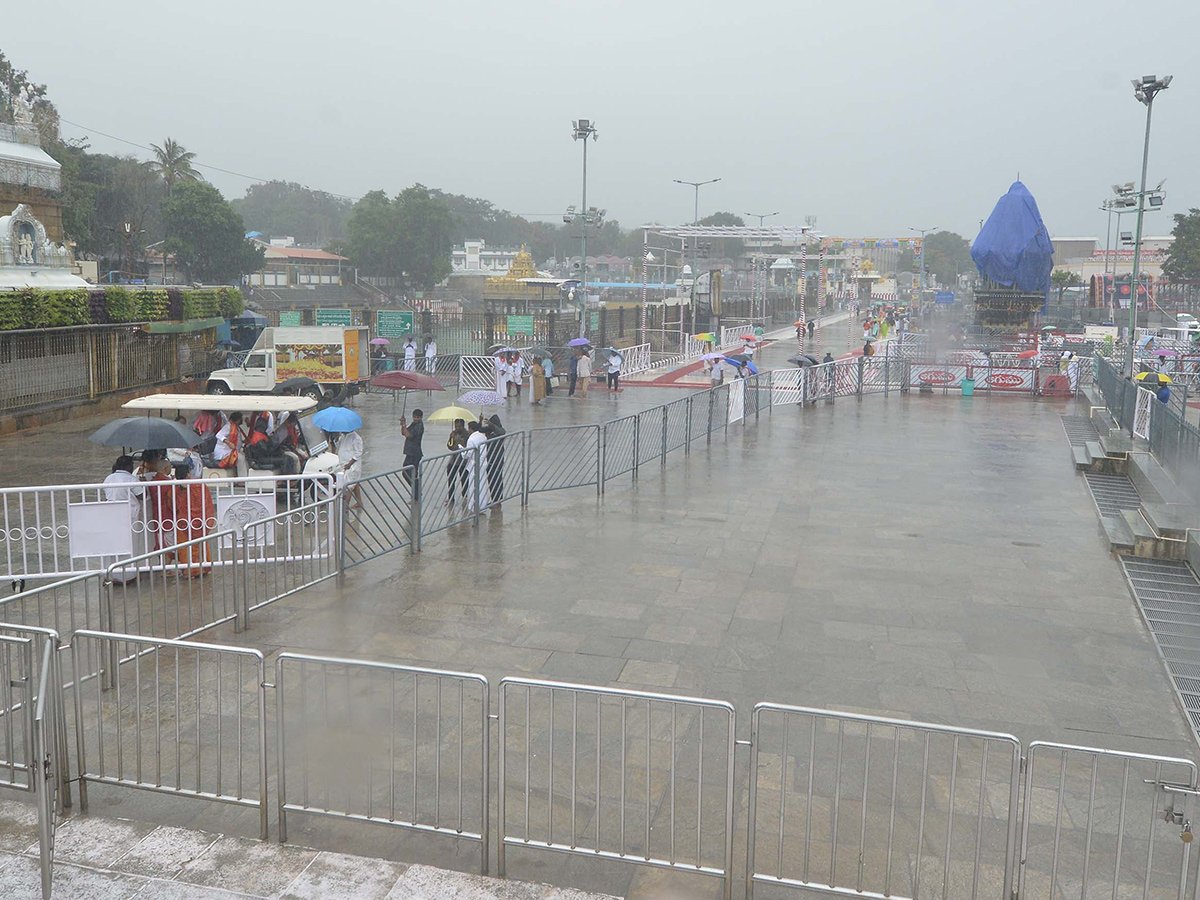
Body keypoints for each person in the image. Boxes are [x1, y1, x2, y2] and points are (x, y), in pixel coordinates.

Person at [102, 455, 145, 583]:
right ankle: (128, 576)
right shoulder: (131, 479)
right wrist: (143, 484)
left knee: (113, 544)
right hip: (129, 514)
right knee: (130, 544)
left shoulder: (108, 478)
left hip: (110, 513)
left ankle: (111, 574)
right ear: (128, 466)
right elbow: (142, 495)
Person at [171, 464, 215, 577]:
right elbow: (207, 502)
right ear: (188, 474)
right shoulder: (200, 485)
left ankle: (190, 571)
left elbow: (172, 506)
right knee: (202, 544)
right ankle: (204, 567)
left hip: (183, 522)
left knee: (185, 547)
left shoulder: (174, 488)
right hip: (201, 521)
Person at [144, 457, 176, 556]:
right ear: (166, 469)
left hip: (157, 513)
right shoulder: (166, 483)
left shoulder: (154, 481)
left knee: (161, 540)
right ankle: (168, 565)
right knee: (169, 541)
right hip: (167, 514)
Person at [464, 420, 490, 512]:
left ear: (470, 429)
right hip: (483, 463)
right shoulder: (483, 436)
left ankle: (473, 508)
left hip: (474, 465)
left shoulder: (471, 439)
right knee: (482, 485)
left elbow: (468, 454)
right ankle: (482, 506)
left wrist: (462, 452)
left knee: (473, 487)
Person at [337, 428, 364, 508]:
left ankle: (345, 506)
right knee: (354, 483)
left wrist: (349, 464)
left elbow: (358, 453)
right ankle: (359, 501)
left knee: (348, 485)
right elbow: (339, 446)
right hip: (344, 463)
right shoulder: (342, 436)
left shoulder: (356, 438)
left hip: (352, 466)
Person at [482, 414, 505, 506]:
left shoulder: (501, 430)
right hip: (489, 459)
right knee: (491, 480)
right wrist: (480, 422)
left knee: (497, 480)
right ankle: (494, 500)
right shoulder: (489, 430)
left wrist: (490, 424)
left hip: (497, 459)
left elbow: (501, 432)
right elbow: (480, 429)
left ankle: (498, 500)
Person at [400, 409, 424, 496]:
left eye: (417, 417)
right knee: (406, 473)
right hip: (410, 452)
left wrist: (404, 425)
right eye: (414, 417)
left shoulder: (419, 426)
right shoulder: (414, 424)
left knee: (411, 474)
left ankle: (416, 495)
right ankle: (416, 493)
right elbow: (404, 433)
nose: (415, 419)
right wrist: (403, 426)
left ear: (421, 417)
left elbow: (409, 435)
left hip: (415, 453)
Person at [446, 418, 469, 503]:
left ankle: (465, 497)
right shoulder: (453, 434)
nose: (457, 428)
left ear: (463, 426)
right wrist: (451, 439)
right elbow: (450, 446)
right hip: (453, 461)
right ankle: (451, 498)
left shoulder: (467, 434)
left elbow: (465, 446)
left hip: (463, 462)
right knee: (451, 480)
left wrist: (459, 441)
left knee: (464, 480)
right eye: (456, 426)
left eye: (459, 426)